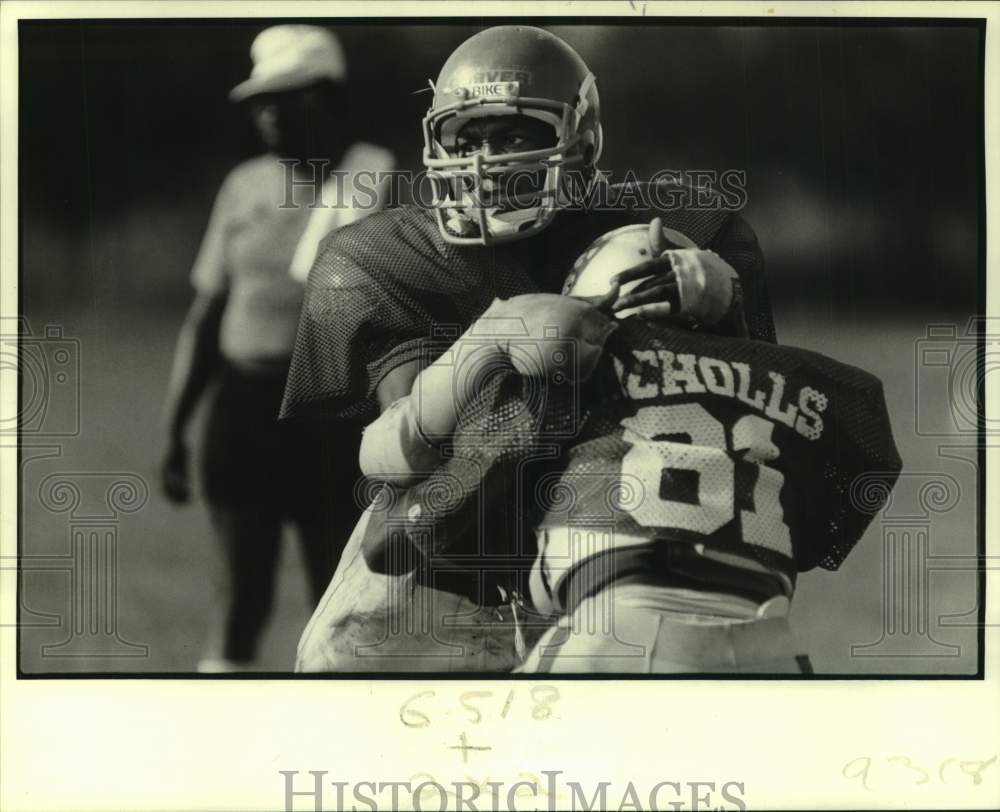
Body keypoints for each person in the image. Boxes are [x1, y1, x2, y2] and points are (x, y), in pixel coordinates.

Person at [282, 25, 776, 673]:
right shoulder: (385, 257)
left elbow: (755, 436)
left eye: (516, 135)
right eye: (470, 137)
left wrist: (721, 309)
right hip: (440, 555)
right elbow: (398, 461)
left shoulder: (681, 239)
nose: (487, 161)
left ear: (582, 140)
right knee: (343, 685)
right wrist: (494, 337)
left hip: (617, 541)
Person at [366, 221, 902, 673]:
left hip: (613, 639)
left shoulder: (563, 377)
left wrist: (483, 353)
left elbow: (391, 545)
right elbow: (840, 502)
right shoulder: (807, 387)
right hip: (773, 651)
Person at [160, 25, 394, 673]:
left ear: (325, 97)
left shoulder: (378, 180)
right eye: (260, 100)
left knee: (339, 606)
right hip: (242, 412)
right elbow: (206, 315)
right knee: (242, 598)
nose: (268, 113)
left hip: (334, 421)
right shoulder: (243, 187)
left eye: (286, 97)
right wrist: (176, 430)